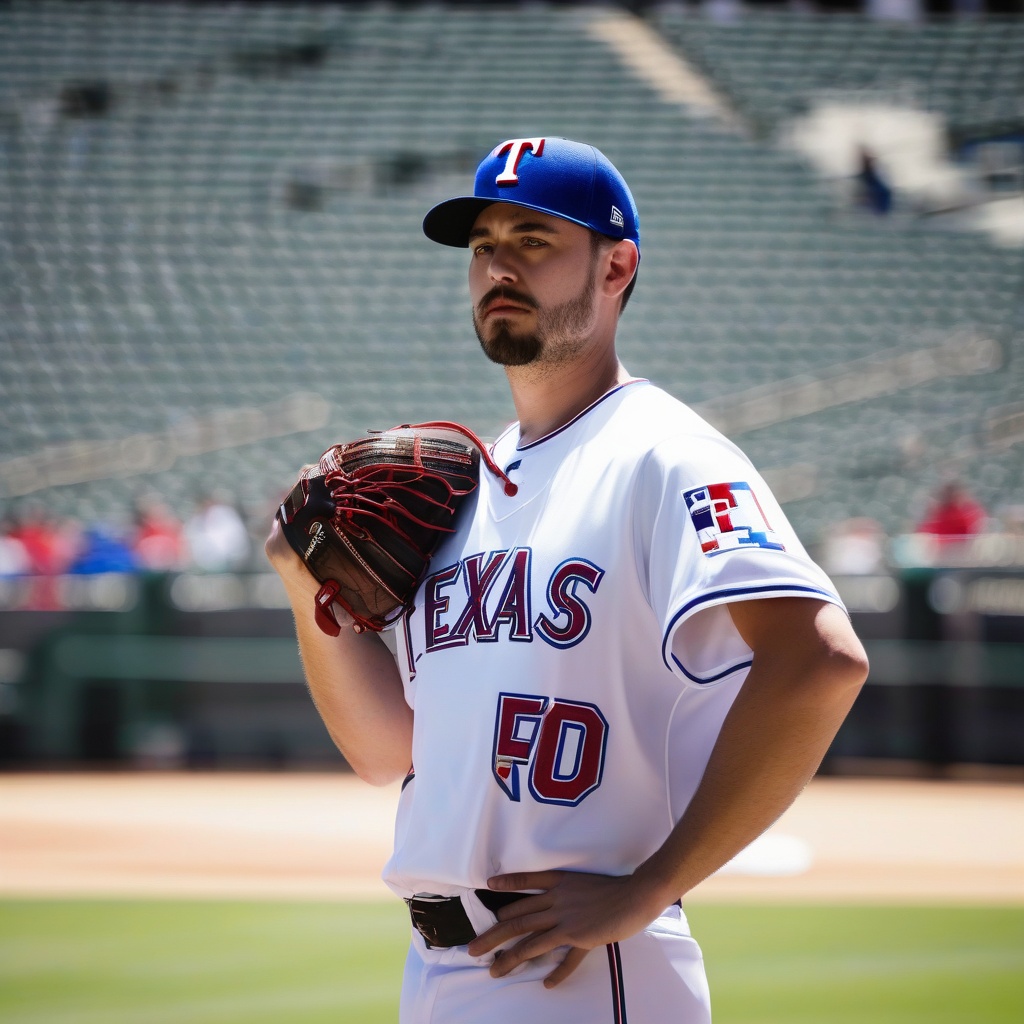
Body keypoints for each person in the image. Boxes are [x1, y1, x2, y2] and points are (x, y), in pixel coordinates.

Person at [266, 137, 869, 1023]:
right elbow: (389, 753)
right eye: (482, 246)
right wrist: (298, 577)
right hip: (439, 969)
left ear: (615, 266)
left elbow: (821, 660)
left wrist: (649, 886)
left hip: (579, 972)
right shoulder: (462, 487)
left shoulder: (665, 454)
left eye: (533, 240)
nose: (498, 267)